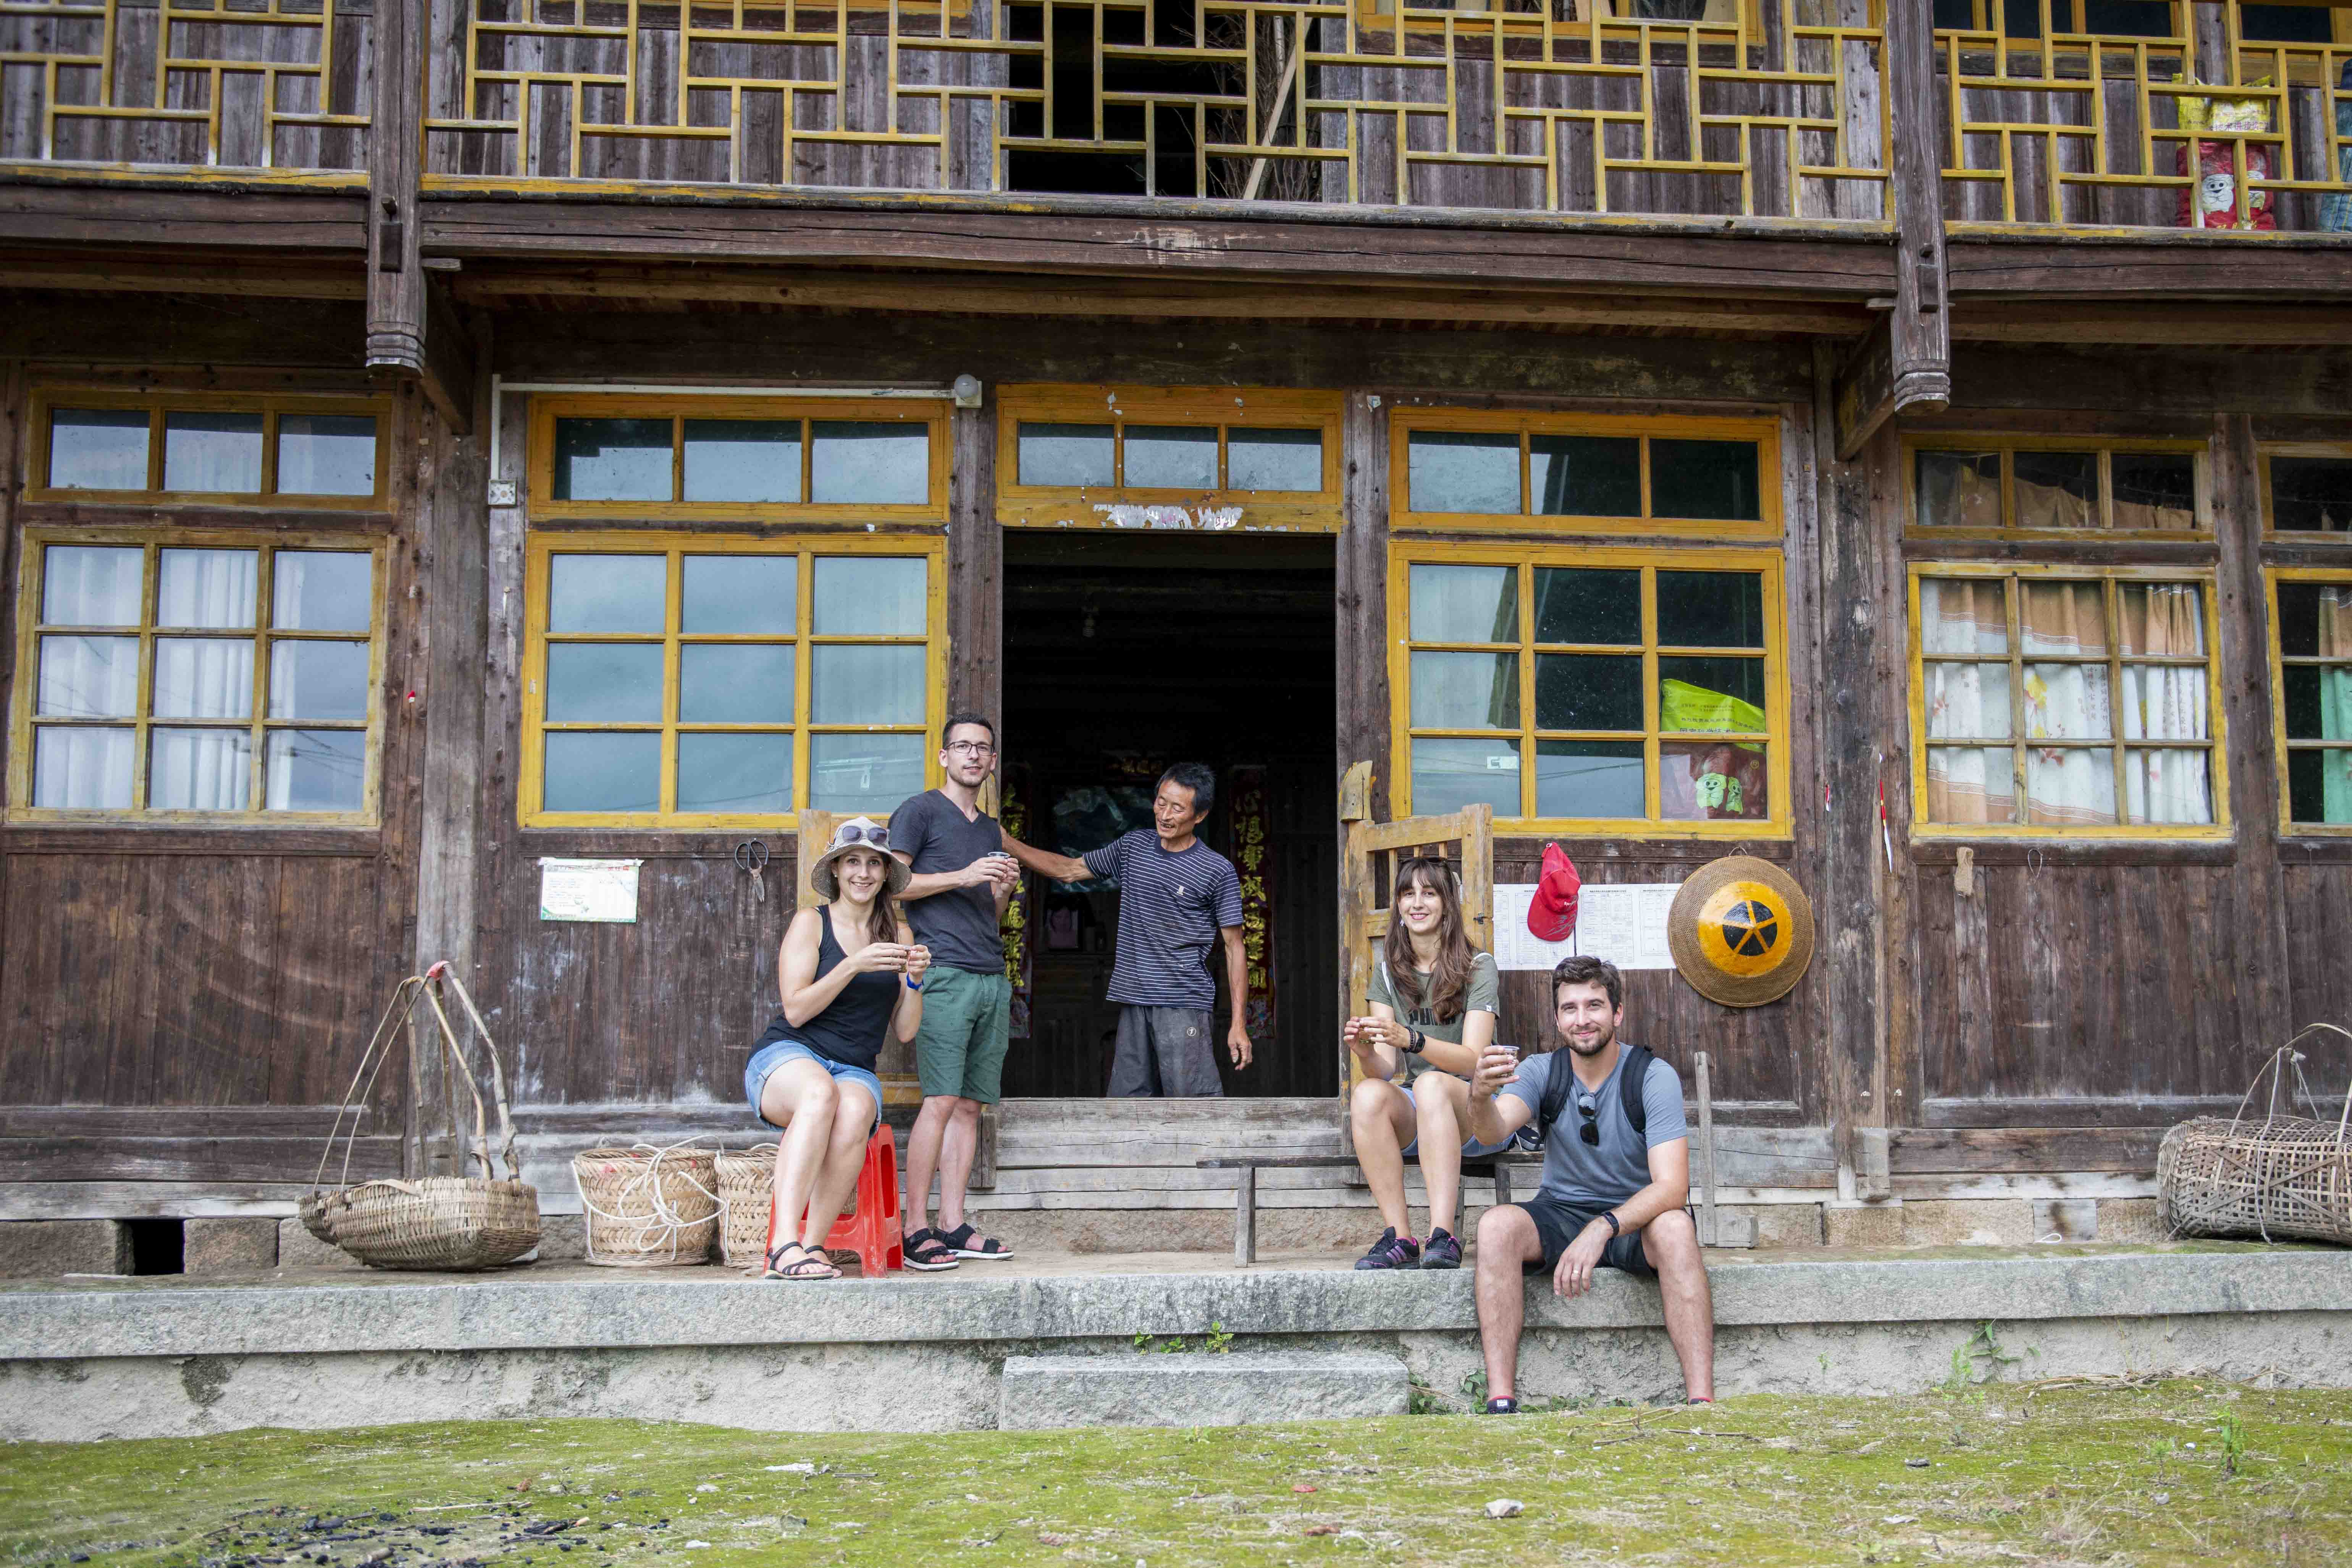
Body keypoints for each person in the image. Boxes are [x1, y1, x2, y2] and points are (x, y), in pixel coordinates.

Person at [1463, 955, 1716, 1411]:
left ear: (1617, 1013)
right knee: (1496, 1226)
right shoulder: (1542, 1070)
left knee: (1677, 1227)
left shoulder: (1652, 1076)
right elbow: (1491, 1131)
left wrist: (1602, 1227)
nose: (1582, 1019)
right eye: (1570, 1008)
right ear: (1557, 1018)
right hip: (1561, 1210)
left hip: (1636, 1218)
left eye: (1594, 1006)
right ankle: (1500, 1400)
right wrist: (1479, 1095)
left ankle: (1701, 1399)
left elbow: (1672, 1188)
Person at [743, 817, 929, 1281]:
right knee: (819, 1093)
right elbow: (796, 1010)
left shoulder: (900, 936)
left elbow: (906, 1031)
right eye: (852, 862)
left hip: (853, 1068)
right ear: (835, 870)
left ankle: (812, 1246)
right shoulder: (812, 922)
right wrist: (852, 965)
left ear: (885, 874)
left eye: (873, 864)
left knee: (855, 1109)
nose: (862, 873)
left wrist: (915, 981)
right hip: (789, 1057)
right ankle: (782, 1245)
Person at [1001, 763, 1251, 1097]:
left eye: (1178, 808)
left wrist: (1239, 1024)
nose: (1165, 815)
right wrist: (1007, 843)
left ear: (1200, 815)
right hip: (1134, 1002)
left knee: (1192, 1106)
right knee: (1127, 1107)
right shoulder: (1134, 847)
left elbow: (1235, 947)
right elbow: (1070, 870)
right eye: (1161, 802)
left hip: (1183, 1004)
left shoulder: (1216, 870)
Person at [888, 713, 1023, 1271]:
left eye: (983, 748)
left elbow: (989, 914)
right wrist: (965, 874)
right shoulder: (919, 811)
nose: (973, 755)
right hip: (942, 971)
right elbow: (894, 885)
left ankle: (953, 1223)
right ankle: (914, 1228)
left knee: (970, 1106)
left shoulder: (990, 829)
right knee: (940, 1100)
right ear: (944, 756)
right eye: (963, 746)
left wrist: (1002, 890)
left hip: (989, 972)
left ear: (991, 762)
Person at [1342, 856, 1512, 1272]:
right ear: (1399, 906)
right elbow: (1385, 1068)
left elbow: (1473, 1062)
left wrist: (1412, 1039)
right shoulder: (1388, 972)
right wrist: (1365, 1052)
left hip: (1478, 1111)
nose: (1416, 903)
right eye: (1408, 894)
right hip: (1423, 1110)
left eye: (1429, 893)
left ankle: (1443, 1235)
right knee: (1367, 1095)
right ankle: (1400, 1238)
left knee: (1431, 1083)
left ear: (1447, 903)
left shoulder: (1478, 966)